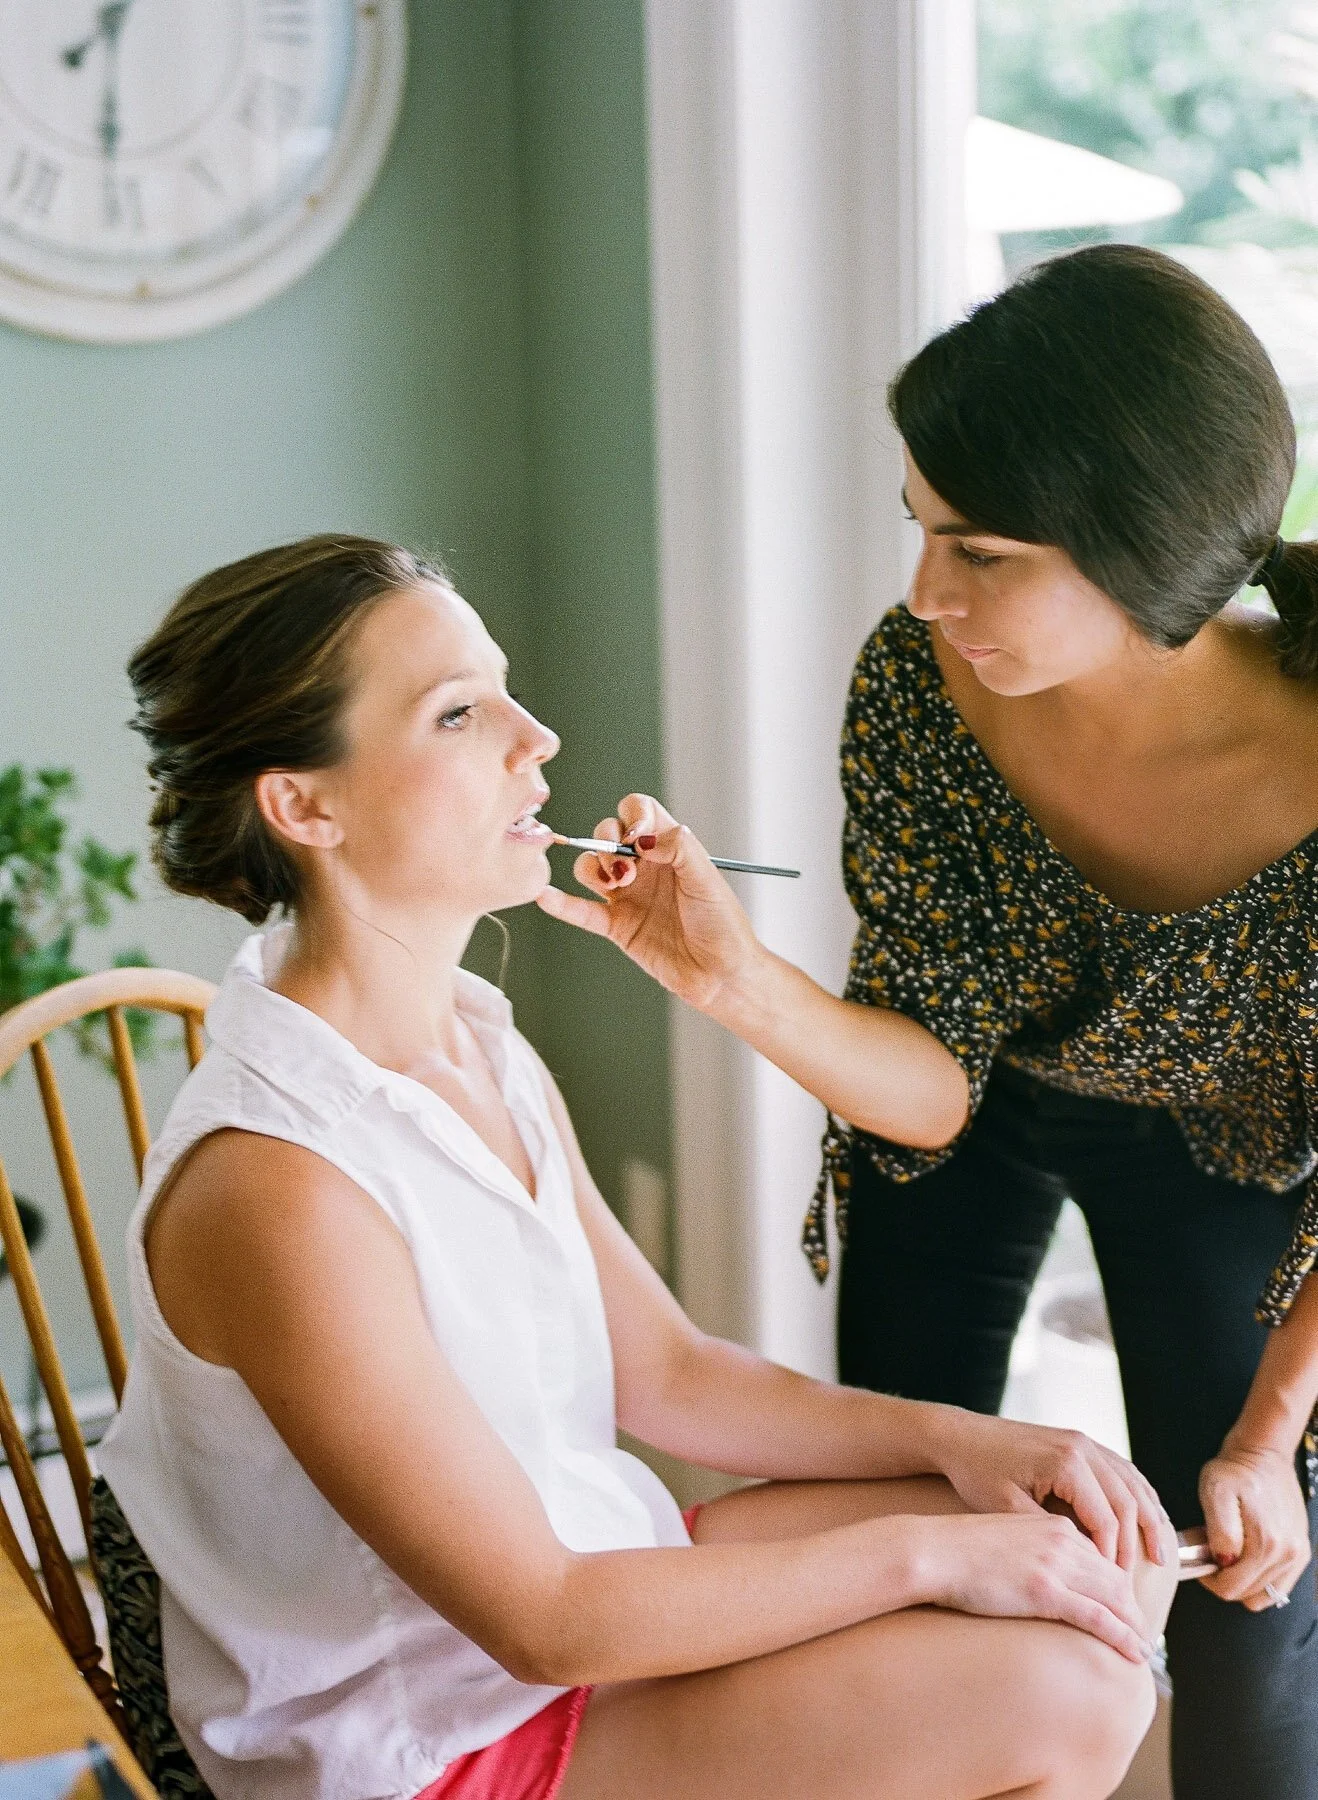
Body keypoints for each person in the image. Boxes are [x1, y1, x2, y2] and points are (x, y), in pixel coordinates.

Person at [97, 536, 1174, 1800]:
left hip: (578, 1595)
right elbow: (543, 1619)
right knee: (1065, 1692)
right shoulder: (278, 1187)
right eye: (459, 712)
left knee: (1045, 1535)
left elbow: (666, 1373)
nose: (536, 737)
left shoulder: (473, 1040)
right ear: (305, 807)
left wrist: (973, 1447)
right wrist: (930, 1557)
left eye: (503, 689)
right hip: (437, 1742)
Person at [537, 244, 1318, 1799]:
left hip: (1223, 1142)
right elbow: (939, 1085)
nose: (922, 594)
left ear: (1145, 550)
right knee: (901, 1522)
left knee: (1248, 1583)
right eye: (919, 531)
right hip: (959, 1116)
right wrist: (732, 980)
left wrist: (1267, 1433)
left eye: (981, 551)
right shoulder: (917, 684)